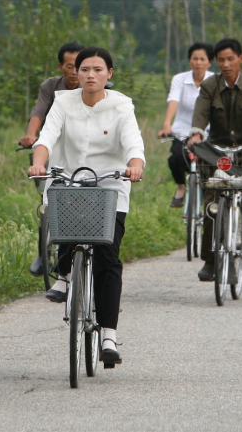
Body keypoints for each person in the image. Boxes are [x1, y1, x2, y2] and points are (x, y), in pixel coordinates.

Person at [29, 47, 145, 366]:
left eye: (97, 69)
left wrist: (135, 166)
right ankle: (67, 274)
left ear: (109, 74)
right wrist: (39, 164)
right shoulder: (63, 101)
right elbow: (46, 137)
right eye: (84, 70)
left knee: (108, 258)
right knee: (65, 239)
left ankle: (108, 334)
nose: (90, 75)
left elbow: (133, 142)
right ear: (75, 74)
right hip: (67, 182)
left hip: (110, 185)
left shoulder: (121, 104)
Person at [188, 39, 242, 282]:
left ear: (240, 59)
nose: (226, 64)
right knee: (211, 204)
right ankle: (210, 259)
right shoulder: (209, 85)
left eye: (230, 59)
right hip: (218, 150)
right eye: (221, 60)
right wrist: (196, 133)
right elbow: (201, 111)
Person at [21, 42, 84, 276]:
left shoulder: (94, 87)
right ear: (61, 67)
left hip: (83, 152)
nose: (76, 71)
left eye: (80, 65)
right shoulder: (51, 87)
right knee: (48, 201)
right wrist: (31, 135)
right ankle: (43, 249)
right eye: (70, 66)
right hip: (52, 149)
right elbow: (39, 112)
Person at [157, 42, 215, 207]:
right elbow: (173, 100)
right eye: (194, 58)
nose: (198, 62)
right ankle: (181, 188)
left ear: (209, 62)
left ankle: (209, 196)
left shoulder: (215, 80)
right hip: (182, 131)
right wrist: (167, 124)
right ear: (189, 60)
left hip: (207, 132)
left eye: (202, 59)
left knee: (210, 163)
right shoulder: (179, 79)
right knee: (176, 157)